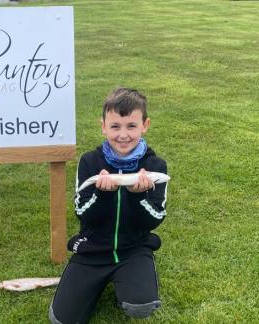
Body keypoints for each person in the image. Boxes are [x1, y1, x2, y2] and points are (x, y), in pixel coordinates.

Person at [49, 87, 168, 323]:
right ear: (103, 126)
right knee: (61, 320)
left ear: (145, 125)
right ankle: (93, 282)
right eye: (115, 126)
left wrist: (137, 195)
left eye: (131, 126)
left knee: (141, 306)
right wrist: (102, 195)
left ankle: (130, 275)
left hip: (133, 248)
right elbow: (83, 213)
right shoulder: (90, 162)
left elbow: (155, 217)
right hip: (92, 249)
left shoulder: (155, 166)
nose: (123, 134)